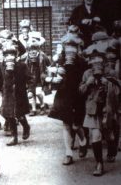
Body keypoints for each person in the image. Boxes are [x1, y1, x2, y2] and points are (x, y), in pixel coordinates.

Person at [48, 33, 88, 165]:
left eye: (73, 47)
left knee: (76, 125)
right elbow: (47, 74)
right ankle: (68, 153)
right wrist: (54, 74)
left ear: (77, 49)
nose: (70, 50)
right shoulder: (60, 61)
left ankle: (83, 141)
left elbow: (88, 76)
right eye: (67, 47)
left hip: (77, 95)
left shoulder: (83, 63)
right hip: (64, 94)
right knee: (66, 124)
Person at [80, 45, 120, 176]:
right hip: (93, 109)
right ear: (90, 62)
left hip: (107, 109)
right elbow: (80, 91)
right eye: (93, 60)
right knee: (95, 136)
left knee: (109, 135)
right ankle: (99, 164)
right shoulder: (87, 74)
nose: (96, 62)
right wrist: (88, 83)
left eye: (99, 60)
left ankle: (112, 148)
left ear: (103, 61)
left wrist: (108, 83)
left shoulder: (110, 72)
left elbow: (118, 91)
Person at [0, 38, 33, 146]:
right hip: (7, 94)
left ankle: (25, 126)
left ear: (16, 56)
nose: (9, 57)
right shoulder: (2, 66)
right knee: (9, 115)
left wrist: (30, 90)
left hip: (20, 94)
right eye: (6, 55)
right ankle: (14, 137)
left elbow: (30, 79)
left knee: (19, 115)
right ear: (4, 56)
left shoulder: (22, 66)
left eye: (11, 54)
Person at [25, 32, 51, 116]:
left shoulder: (42, 55)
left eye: (34, 49)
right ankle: (33, 109)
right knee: (31, 94)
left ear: (38, 48)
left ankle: (42, 105)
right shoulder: (26, 56)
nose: (32, 51)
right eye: (31, 49)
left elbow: (49, 63)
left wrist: (47, 74)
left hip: (39, 77)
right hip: (30, 78)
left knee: (38, 93)